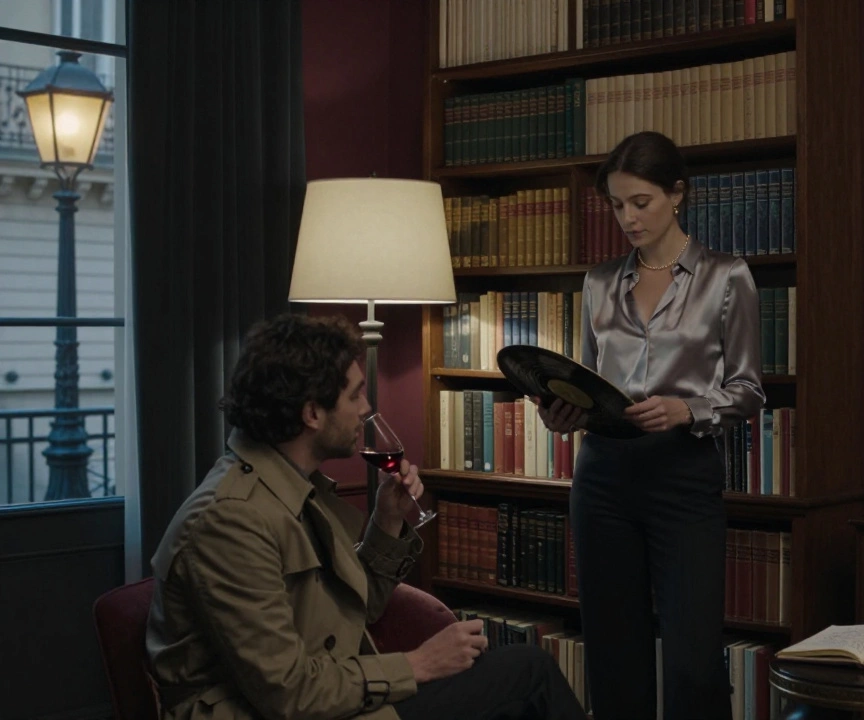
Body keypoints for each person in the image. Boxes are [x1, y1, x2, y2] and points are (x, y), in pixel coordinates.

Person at [146, 313, 587, 720]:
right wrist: (418, 664)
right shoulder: (231, 521)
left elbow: (349, 612)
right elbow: (287, 694)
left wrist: (386, 522)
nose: (365, 409)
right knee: (527, 671)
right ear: (312, 413)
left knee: (518, 673)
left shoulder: (291, 487)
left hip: (328, 696)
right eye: (355, 394)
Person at [536, 131, 765, 720]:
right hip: (602, 479)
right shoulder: (597, 282)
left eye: (641, 202)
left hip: (683, 477)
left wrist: (688, 409)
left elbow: (747, 389)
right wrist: (560, 413)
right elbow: (587, 382)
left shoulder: (726, 277)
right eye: (616, 205)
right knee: (614, 657)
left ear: (677, 194)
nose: (627, 218)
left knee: (692, 661)